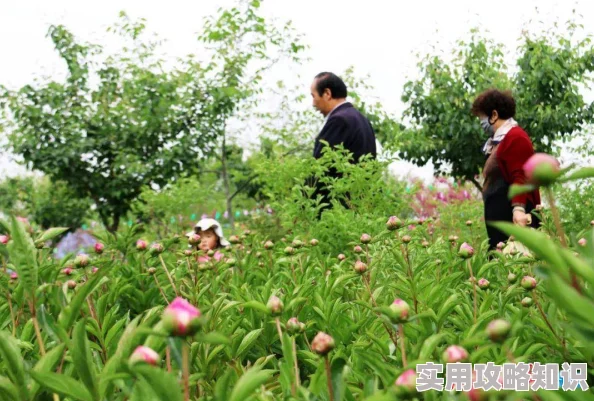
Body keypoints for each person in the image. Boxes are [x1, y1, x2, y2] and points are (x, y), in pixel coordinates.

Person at [471, 89, 541, 250]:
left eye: (481, 117)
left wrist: (518, 210)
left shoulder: (515, 137)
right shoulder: (497, 143)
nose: (480, 122)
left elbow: (520, 175)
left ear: (493, 115)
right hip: (500, 218)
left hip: (511, 217)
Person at [308, 72, 377, 215]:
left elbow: (320, 168)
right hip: (360, 207)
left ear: (327, 93)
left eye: (313, 96)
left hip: (337, 211)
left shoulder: (339, 121)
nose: (313, 103)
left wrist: (303, 206)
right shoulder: (362, 120)